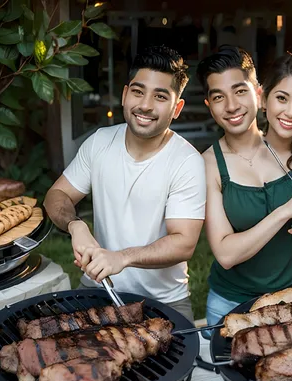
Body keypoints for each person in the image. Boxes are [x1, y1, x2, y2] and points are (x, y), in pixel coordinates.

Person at [44, 46, 206, 322]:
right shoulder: (99, 142)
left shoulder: (186, 161)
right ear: (124, 94)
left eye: (160, 96)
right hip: (99, 289)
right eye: (138, 91)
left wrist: (122, 257)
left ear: (176, 108)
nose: (145, 105)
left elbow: (184, 243)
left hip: (165, 302)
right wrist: (76, 225)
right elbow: (56, 195)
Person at [196, 48, 292, 334]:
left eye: (239, 91)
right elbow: (225, 254)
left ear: (258, 95)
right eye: (218, 97)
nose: (231, 106)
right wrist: (285, 211)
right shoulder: (209, 164)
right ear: (209, 105)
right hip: (233, 306)